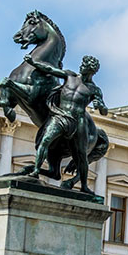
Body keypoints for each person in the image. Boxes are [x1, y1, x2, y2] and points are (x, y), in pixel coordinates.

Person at [24, 54, 108, 194]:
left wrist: (101, 106)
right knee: (45, 140)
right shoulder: (70, 76)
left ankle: (84, 186)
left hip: (78, 121)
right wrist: (33, 62)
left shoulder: (94, 90)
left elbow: (104, 111)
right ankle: (36, 171)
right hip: (61, 116)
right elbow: (50, 69)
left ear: (91, 71)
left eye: (85, 66)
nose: (81, 67)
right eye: (82, 65)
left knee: (81, 155)